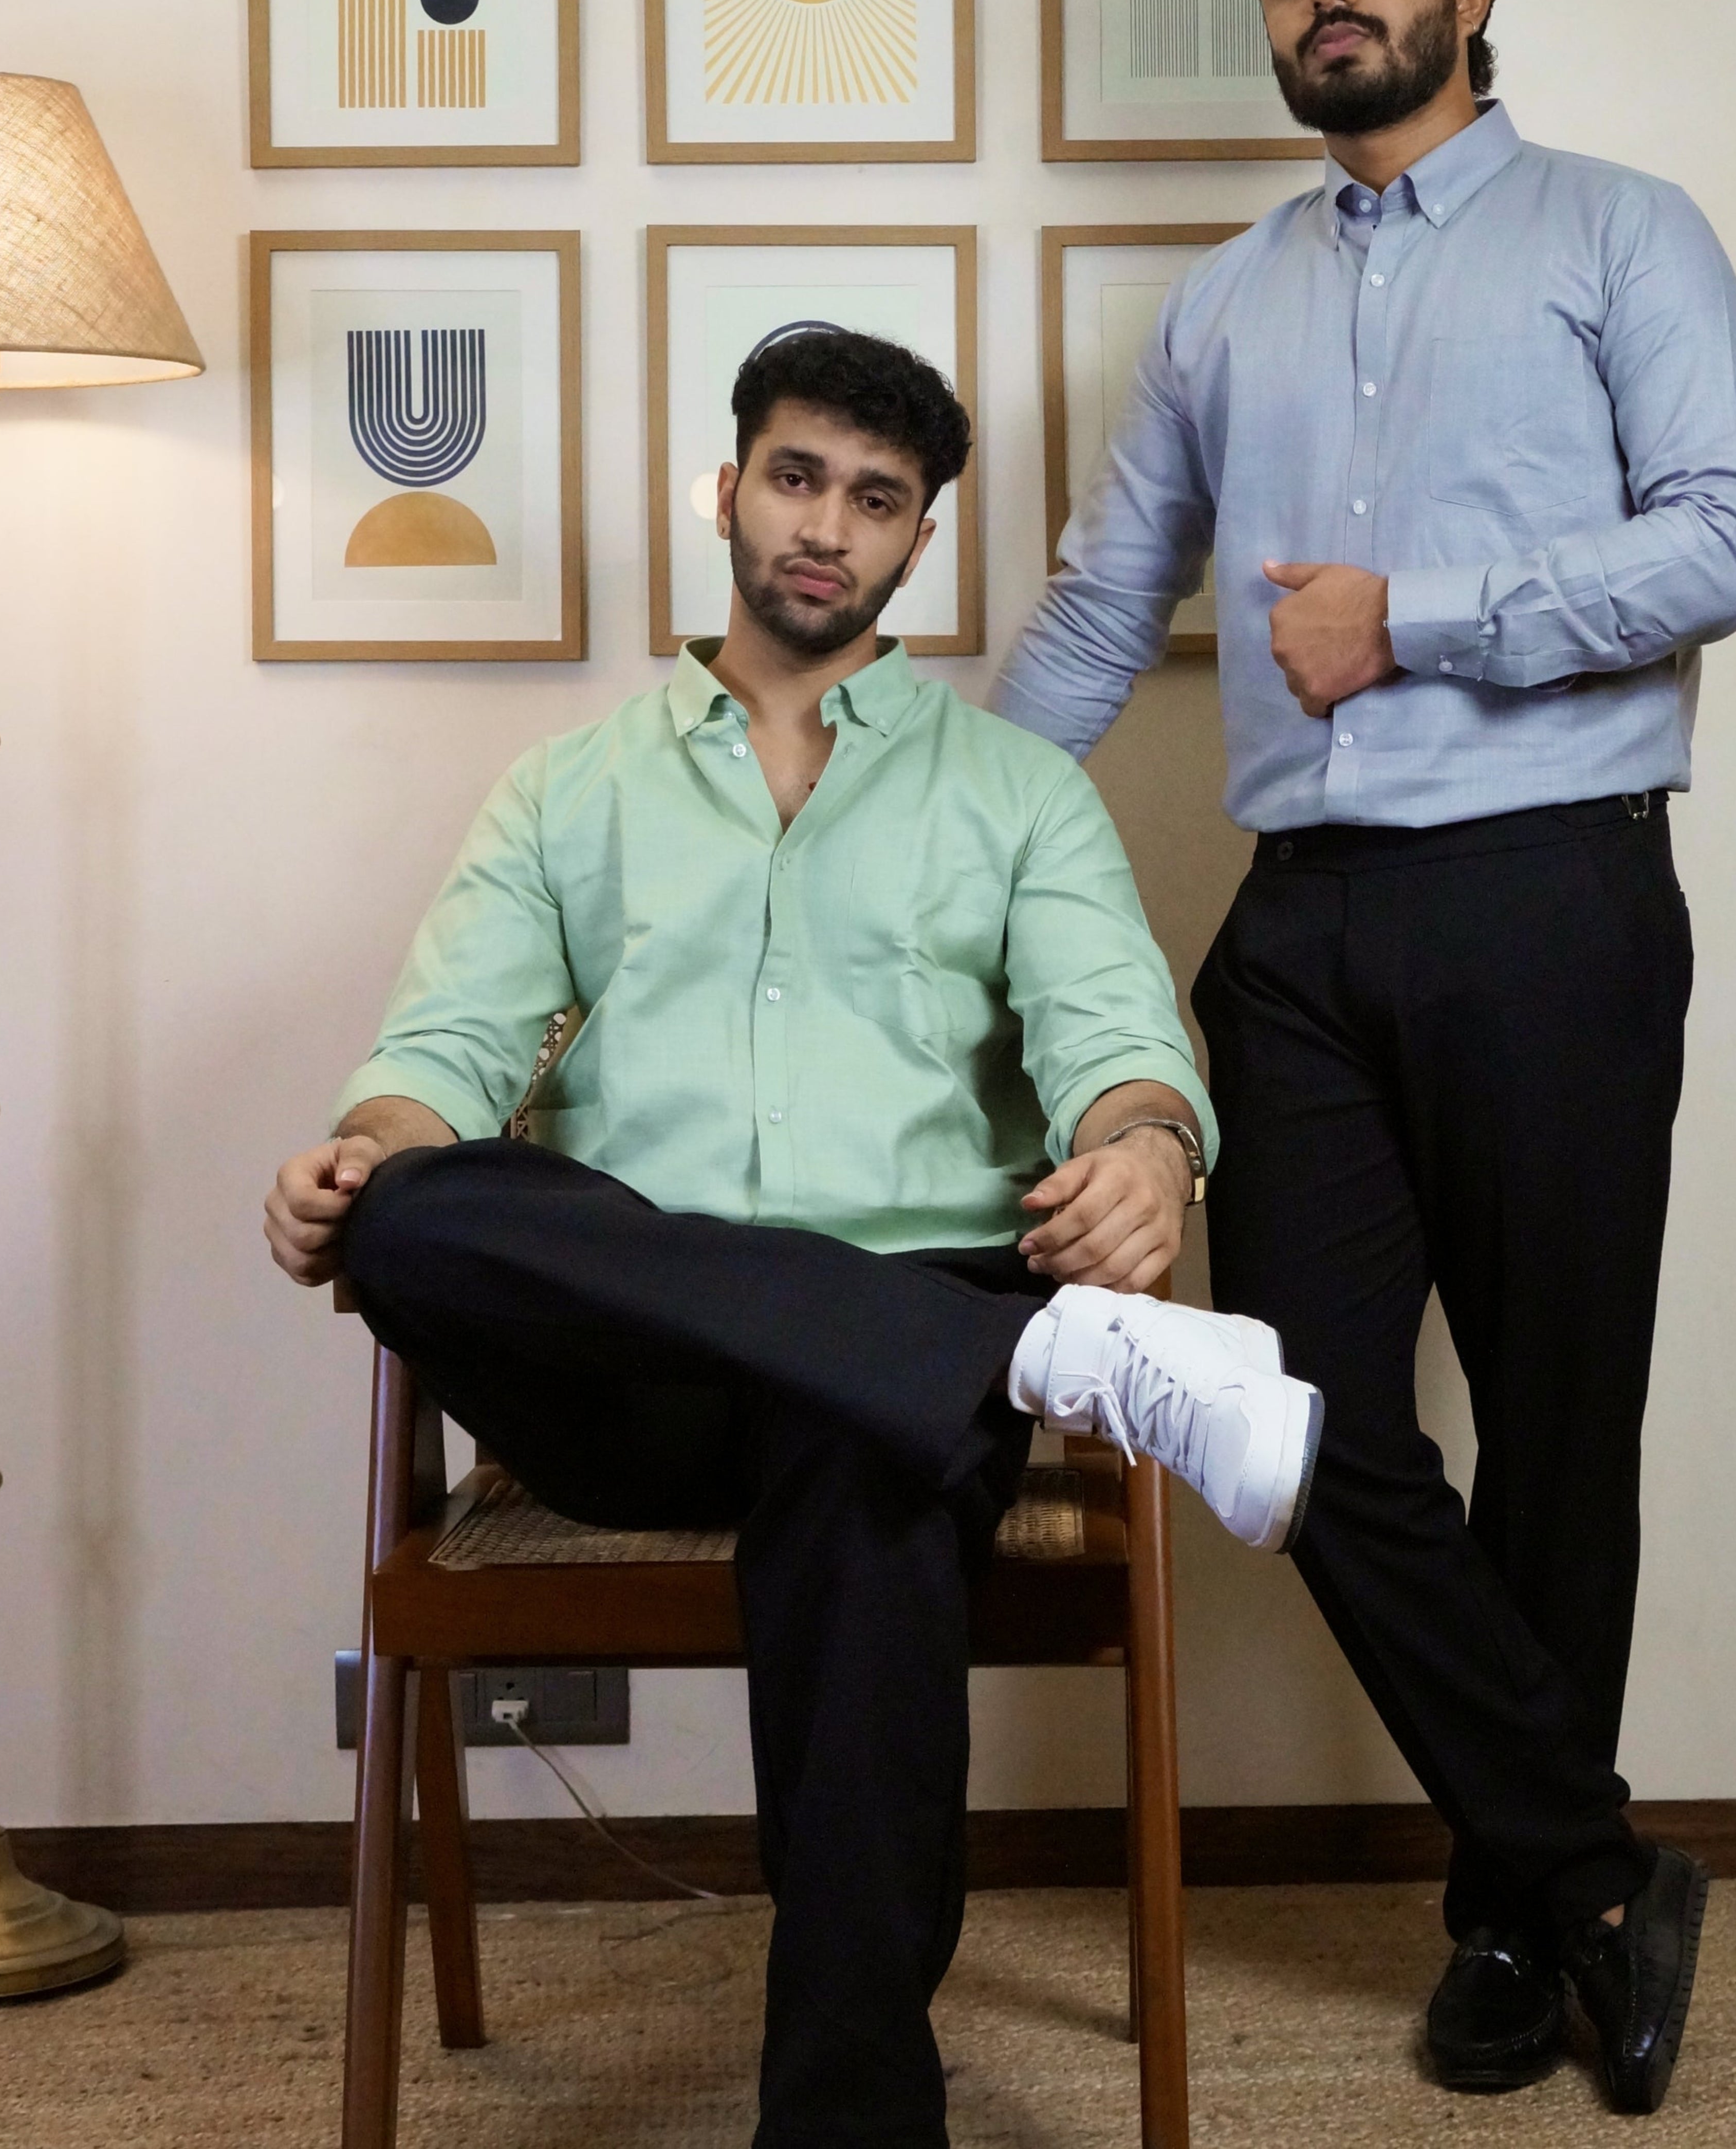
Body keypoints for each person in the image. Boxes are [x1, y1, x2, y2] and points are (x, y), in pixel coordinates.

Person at [264, 324, 1322, 2149]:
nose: (827, 524)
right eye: (798, 476)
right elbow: (439, 1055)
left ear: (921, 543)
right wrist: (359, 1154)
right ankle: (1024, 1359)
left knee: (861, 1462)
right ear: (732, 487)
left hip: (891, 1370)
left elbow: (1122, 1048)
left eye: (877, 498)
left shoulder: (1016, 796)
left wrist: (1148, 1152)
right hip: (633, 1380)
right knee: (416, 1223)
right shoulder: (566, 791)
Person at [990, 0, 1736, 2114]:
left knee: (1555, 1427)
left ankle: (1502, 1926)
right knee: (1293, 1413)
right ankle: (1598, 1871)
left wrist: (1415, 622)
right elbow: (1089, 608)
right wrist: (909, 840)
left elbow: (1733, 535)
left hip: (1553, 887)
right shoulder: (1222, 303)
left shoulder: (1624, 230)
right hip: (1307, 928)